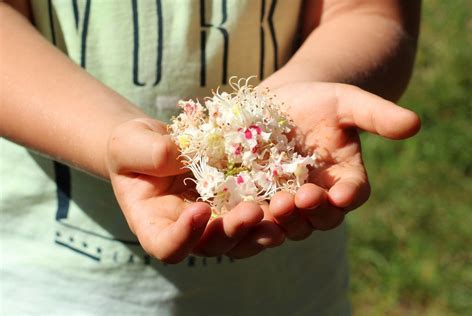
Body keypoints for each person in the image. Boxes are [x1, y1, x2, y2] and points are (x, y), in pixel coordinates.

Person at [0, 0, 421, 314]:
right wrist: (109, 136)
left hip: (286, 287)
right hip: (48, 285)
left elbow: (368, 11)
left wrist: (295, 97)